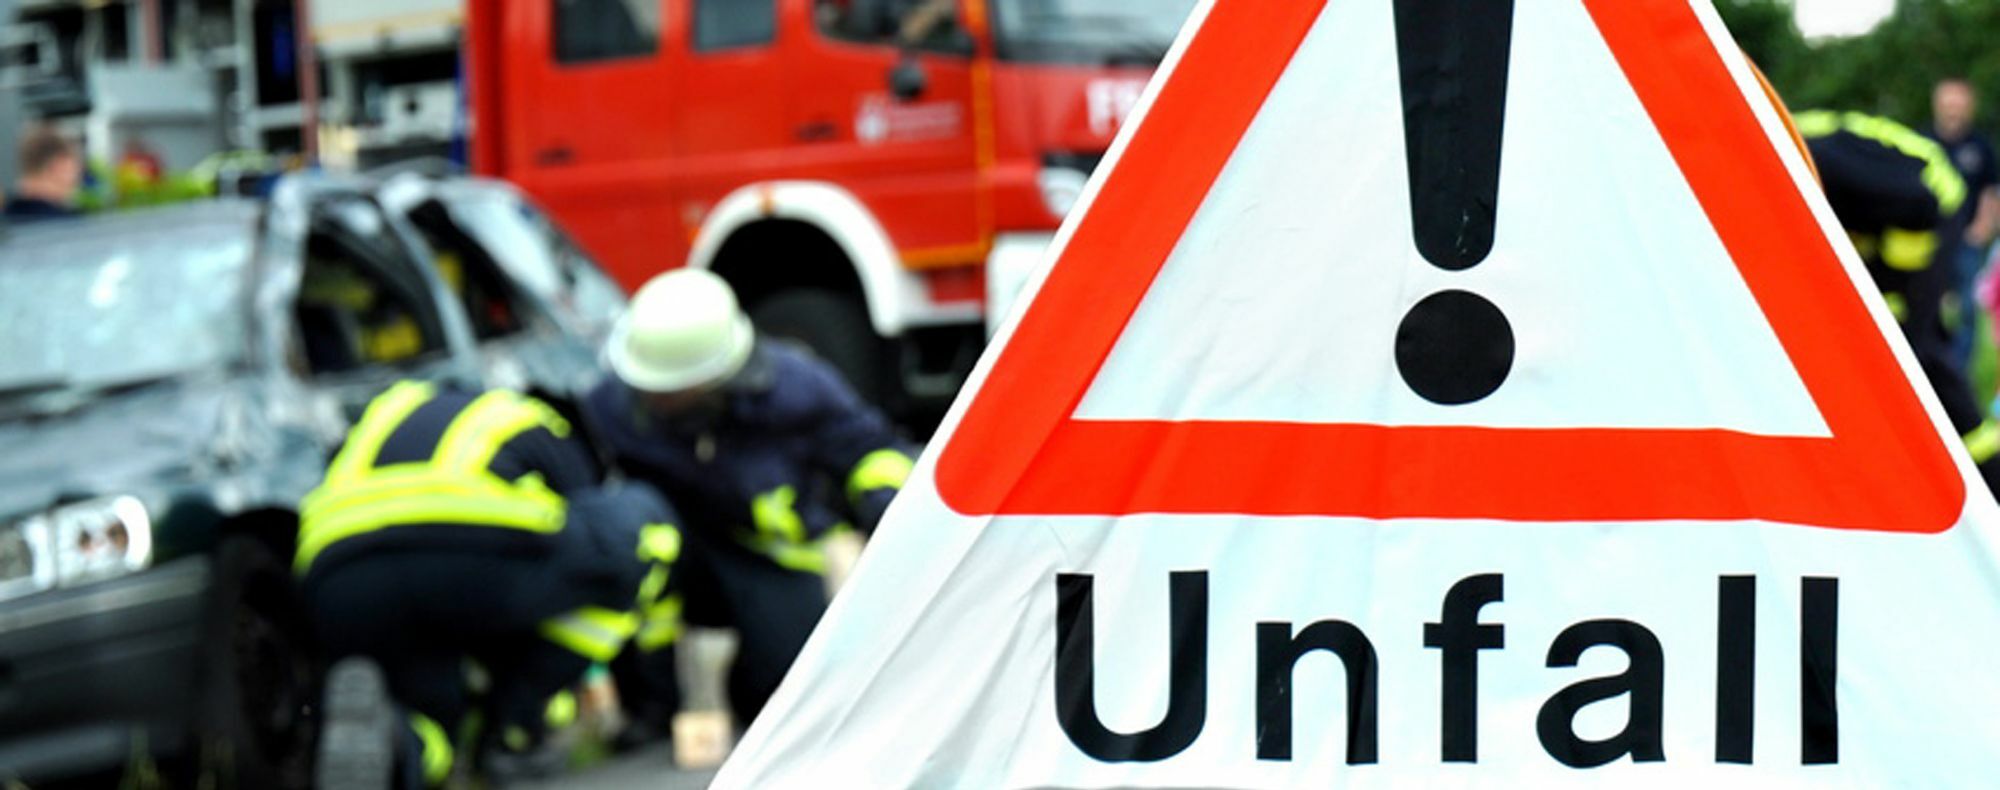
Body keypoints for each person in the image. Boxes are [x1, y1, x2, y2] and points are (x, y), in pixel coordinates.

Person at [581, 269, 915, 741]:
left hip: (768, 557)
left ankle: (750, 691)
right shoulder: (612, 408)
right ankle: (650, 709)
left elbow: (871, 450)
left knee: (784, 686)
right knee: (631, 540)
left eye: (669, 390)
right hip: (675, 551)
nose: (653, 397)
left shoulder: (796, 389)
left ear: (716, 376)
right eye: (648, 386)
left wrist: (888, 509)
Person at [300, 380, 683, 787]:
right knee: (643, 529)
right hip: (465, 547)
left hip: (336, 574)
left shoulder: (386, 411)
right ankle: (513, 730)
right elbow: (594, 566)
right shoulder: (539, 419)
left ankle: (397, 738)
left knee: (432, 723)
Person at [1799, 109, 2000, 493]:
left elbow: (1917, 203)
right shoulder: (1792, 146)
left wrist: (1895, 291)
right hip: (1894, 218)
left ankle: (1984, 476)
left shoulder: (1818, 161)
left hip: (1933, 203)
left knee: (1910, 348)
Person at [1926, 79, 2000, 367]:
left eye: (1958, 103)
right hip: (1929, 239)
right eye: (1948, 103)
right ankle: (1928, 366)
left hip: (1966, 240)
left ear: (1969, 107)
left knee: (1968, 308)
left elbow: (1990, 190)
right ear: (1937, 104)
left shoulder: (1980, 146)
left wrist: (1983, 226)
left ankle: (1959, 371)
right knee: (1926, 305)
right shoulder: (1923, 141)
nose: (1953, 109)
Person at [5, 125, 82, 222]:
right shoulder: (69, 225)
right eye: (74, 166)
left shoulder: (7, 216)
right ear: (59, 166)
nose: (78, 176)